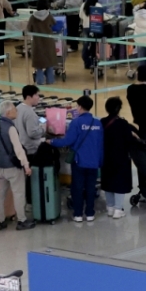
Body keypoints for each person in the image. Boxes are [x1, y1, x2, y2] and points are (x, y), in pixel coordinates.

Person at [48, 95, 103, 223]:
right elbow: (101, 144)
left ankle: (78, 214)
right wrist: (100, 161)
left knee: (77, 188)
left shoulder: (76, 122)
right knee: (90, 188)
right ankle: (90, 213)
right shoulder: (98, 123)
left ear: (80, 107)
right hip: (94, 162)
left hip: (79, 161)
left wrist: (51, 141)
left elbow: (68, 141)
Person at [0, 101, 34, 230]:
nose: (16, 111)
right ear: (8, 113)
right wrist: (26, 165)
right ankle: (22, 220)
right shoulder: (11, 128)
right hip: (13, 168)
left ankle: (0, 220)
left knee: (0, 193)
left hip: (1, 167)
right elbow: (18, 149)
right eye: (14, 109)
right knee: (19, 193)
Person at [25, 0, 58, 85]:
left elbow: (29, 29)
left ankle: (40, 81)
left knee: (38, 64)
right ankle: (50, 80)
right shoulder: (49, 15)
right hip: (48, 42)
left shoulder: (33, 17)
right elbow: (54, 24)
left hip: (37, 43)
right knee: (49, 63)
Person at [14, 85, 47, 158]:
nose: (38, 97)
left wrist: (44, 119)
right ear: (29, 97)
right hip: (31, 150)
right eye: (36, 95)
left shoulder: (18, 108)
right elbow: (33, 133)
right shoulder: (29, 112)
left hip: (21, 146)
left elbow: (35, 118)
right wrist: (44, 127)